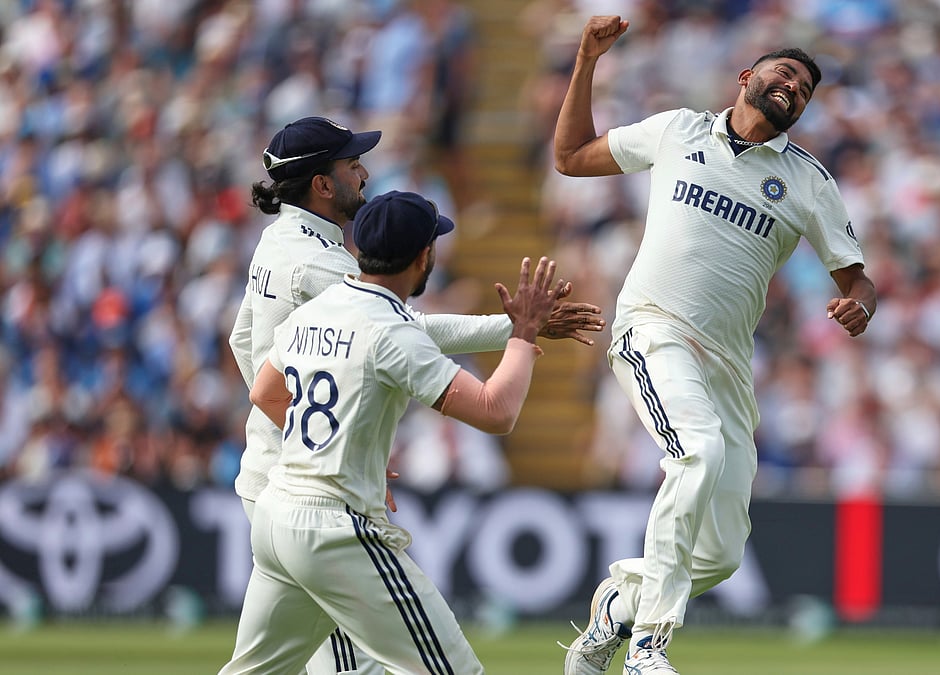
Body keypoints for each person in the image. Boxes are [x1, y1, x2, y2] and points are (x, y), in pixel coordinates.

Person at [554, 16, 877, 674]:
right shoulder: (678, 129)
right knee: (695, 450)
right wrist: (586, 60)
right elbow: (569, 157)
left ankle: (617, 608)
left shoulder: (808, 181)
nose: (794, 85)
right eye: (784, 73)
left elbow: (859, 276)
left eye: (807, 87)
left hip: (727, 364)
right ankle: (647, 645)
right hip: (653, 328)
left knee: (722, 551)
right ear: (745, 79)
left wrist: (859, 306)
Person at [228, 117, 604, 674]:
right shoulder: (329, 268)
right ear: (322, 184)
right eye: (350, 164)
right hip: (327, 509)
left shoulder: (280, 246)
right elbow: (409, 343)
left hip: (276, 497)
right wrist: (519, 330)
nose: (363, 171)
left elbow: (252, 358)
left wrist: (315, 430)